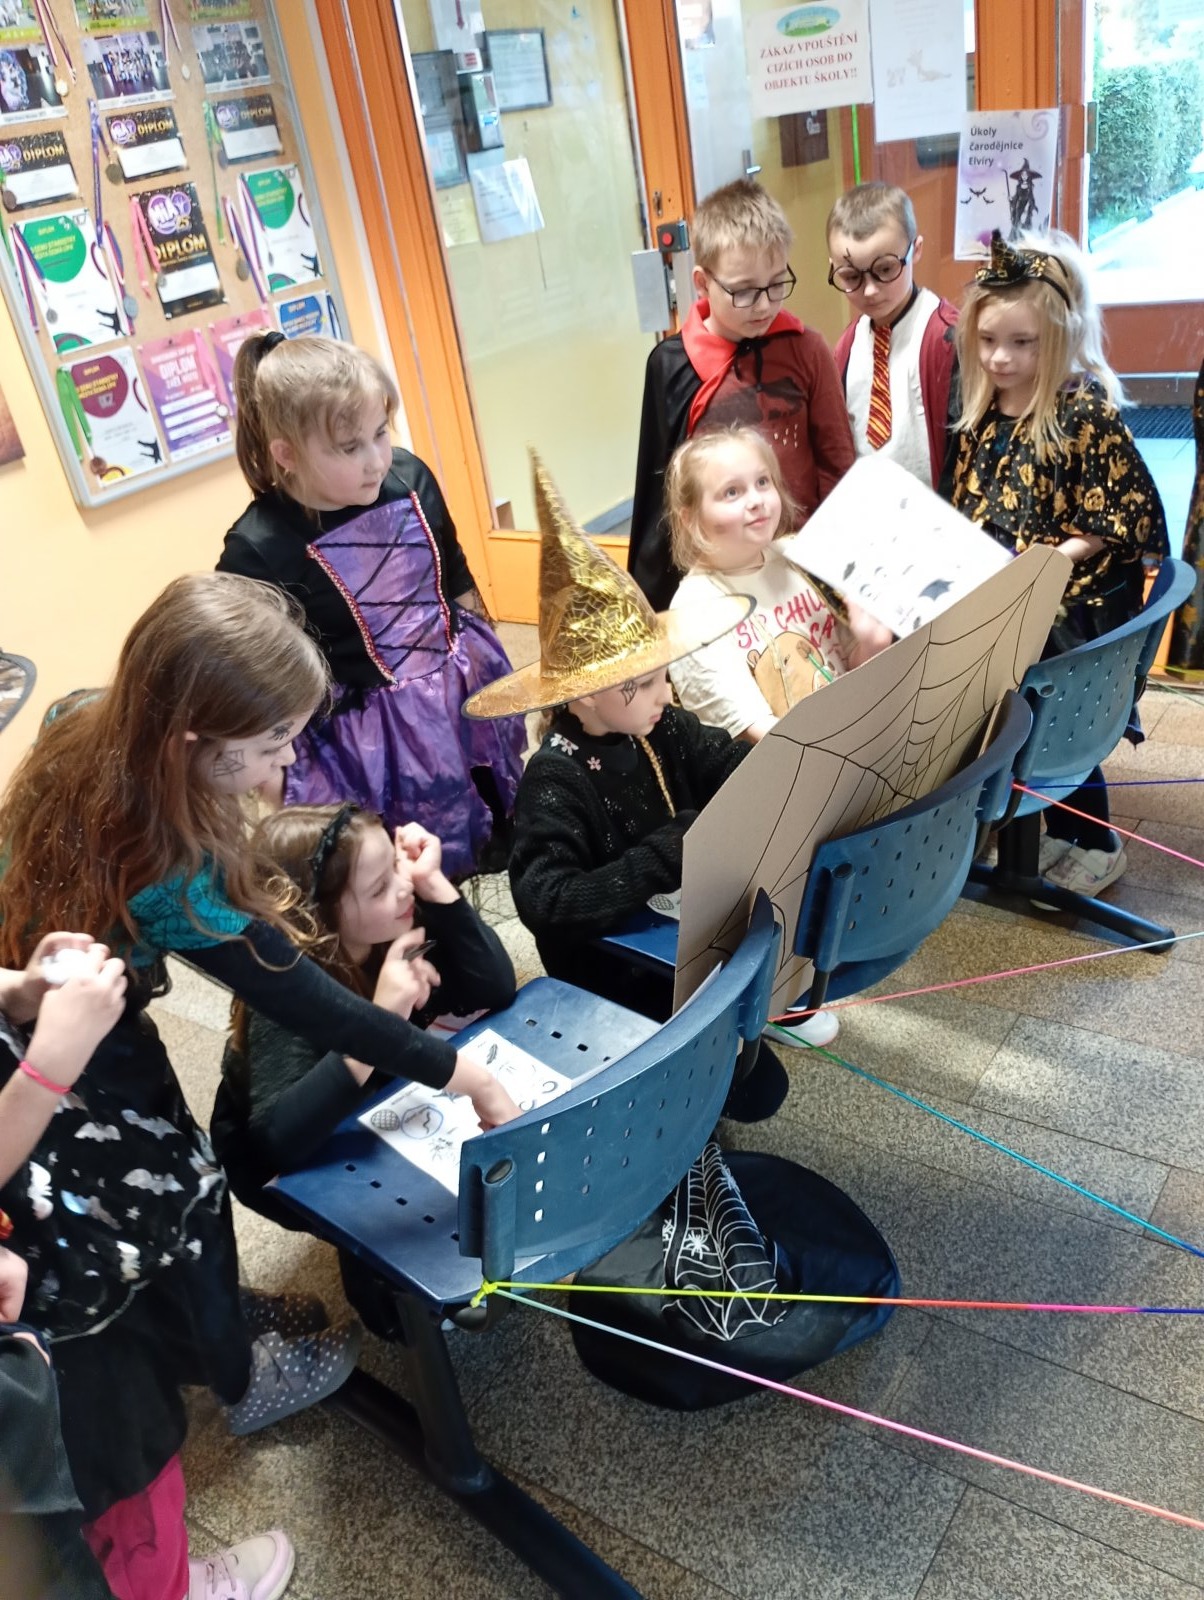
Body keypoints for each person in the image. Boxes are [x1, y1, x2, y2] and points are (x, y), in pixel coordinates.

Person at [0, 573, 522, 1600]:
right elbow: (313, 1004)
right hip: (65, 1035)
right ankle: (232, 1375)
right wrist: (467, 1075)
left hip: (49, 991)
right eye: (274, 740)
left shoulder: (89, 721)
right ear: (196, 739)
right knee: (181, 1195)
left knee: (163, 1179)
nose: (289, 761)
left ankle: (198, 1325)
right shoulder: (171, 864)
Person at [469, 455, 837, 1080]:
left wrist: (779, 776)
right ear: (585, 694)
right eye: (640, 685)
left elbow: (729, 763)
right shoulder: (555, 780)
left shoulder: (660, 724)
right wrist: (670, 851)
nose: (664, 694)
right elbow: (548, 902)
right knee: (742, 1083)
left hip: (676, 931)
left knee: (755, 1080)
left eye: (662, 675)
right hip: (612, 967)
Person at [216, 332, 526, 880]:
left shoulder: (411, 478)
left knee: (495, 833)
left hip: (456, 701)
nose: (376, 460)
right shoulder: (259, 547)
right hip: (365, 746)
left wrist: (488, 671)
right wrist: (274, 780)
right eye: (348, 447)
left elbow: (455, 580)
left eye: (381, 433)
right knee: (395, 875)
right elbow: (252, 685)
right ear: (287, 454)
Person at [210, 805, 515, 1334]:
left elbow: (494, 987)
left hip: (367, 1102)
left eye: (396, 868)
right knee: (375, 1223)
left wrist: (436, 885)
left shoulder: (391, 923)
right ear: (318, 916)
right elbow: (280, 1140)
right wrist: (380, 1022)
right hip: (283, 1157)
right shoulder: (284, 987)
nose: (402, 888)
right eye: (379, 888)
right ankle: (379, 1296)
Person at [948, 229, 1169, 899]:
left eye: (1023, 343)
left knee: (1043, 713)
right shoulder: (984, 410)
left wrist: (1043, 567)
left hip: (1072, 604)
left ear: (1061, 338)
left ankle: (1095, 842)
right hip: (1004, 592)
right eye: (988, 341)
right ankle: (1001, 816)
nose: (1001, 357)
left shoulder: (1083, 412)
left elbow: (1116, 520)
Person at [628, 179, 855, 610]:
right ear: (702, 282)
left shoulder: (808, 349)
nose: (764, 305)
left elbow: (837, 464)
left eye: (776, 284)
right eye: (744, 291)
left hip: (802, 570)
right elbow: (662, 502)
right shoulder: (672, 365)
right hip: (720, 581)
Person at [665, 426, 893, 740]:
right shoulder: (693, 613)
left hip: (859, 735)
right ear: (689, 518)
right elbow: (752, 732)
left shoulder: (801, 556)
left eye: (763, 482)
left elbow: (855, 667)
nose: (756, 500)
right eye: (732, 492)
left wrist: (872, 644)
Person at [827, 181, 959, 491]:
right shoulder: (848, 346)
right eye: (851, 277)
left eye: (885, 270)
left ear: (916, 250)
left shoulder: (946, 338)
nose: (870, 291)